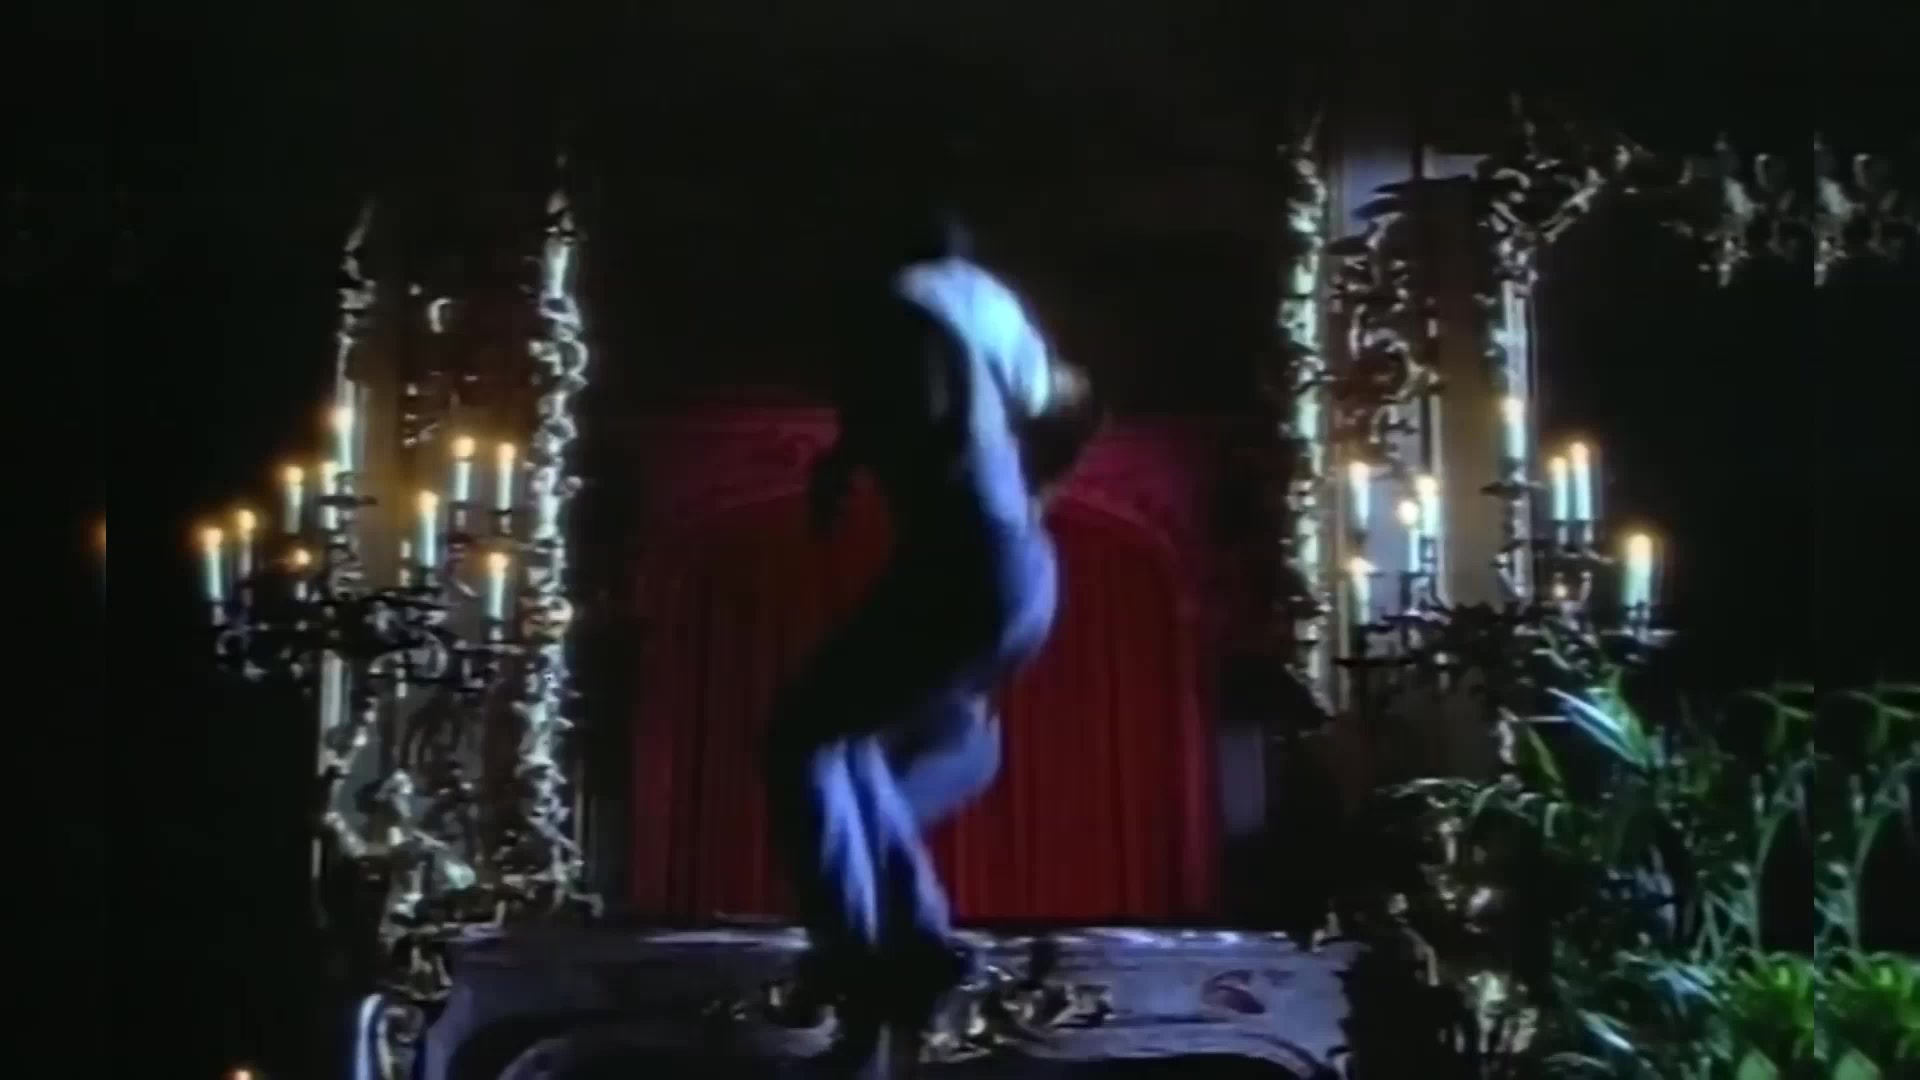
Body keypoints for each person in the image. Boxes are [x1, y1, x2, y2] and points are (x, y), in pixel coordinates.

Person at [763, 208, 1095, 1070]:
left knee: (802, 738)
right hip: (1023, 570)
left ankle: (873, 954)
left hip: (964, 560)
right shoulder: (986, 303)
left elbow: (935, 400)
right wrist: (854, 457)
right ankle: (910, 943)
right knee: (845, 746)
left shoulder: (899, 303)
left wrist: (895, 461)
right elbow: (1056, 395)